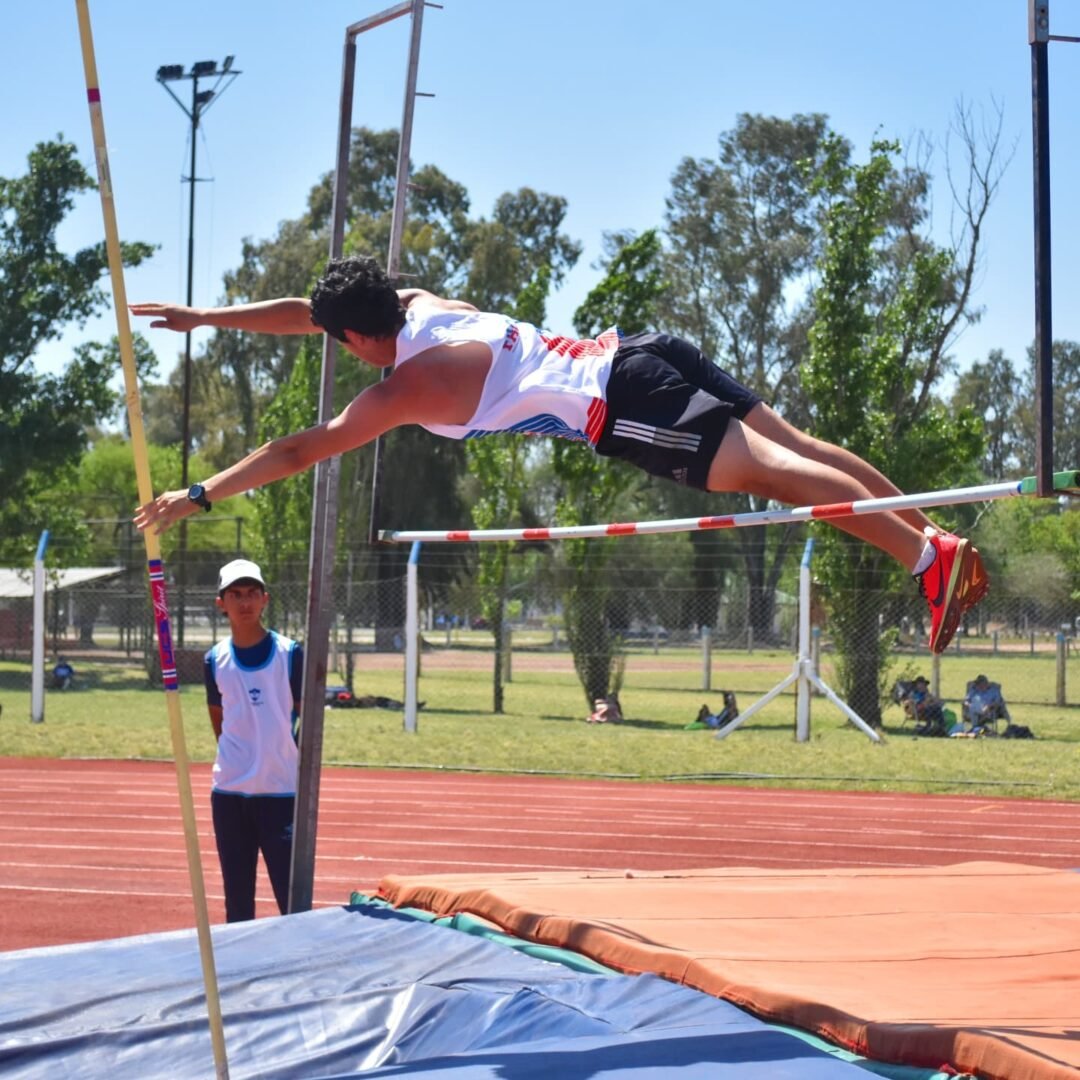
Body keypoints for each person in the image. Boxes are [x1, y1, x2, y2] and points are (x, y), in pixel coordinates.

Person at [132, 255, 988, 653]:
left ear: (359, 337)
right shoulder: (419, 304)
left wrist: (199, 492)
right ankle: (931, 546)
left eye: (337, 340)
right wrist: (210, 320)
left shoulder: (403, 389)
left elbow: (299, 448)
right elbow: (308, 311)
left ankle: (927, 556)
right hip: (644, 352)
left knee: (765, 471)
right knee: (795, 443)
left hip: (622, 405)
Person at [205, 558, 303, 922]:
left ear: (265, 599)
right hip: (230, 794)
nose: (244, 602)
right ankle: (239, 975)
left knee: (292, 901)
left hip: (280, 793)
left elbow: (307, 719)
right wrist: (240, 757)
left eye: (251, 593)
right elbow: (219, 719)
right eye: (235, 594)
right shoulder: (214, 659)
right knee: (238, 901)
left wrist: (281, 754)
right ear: (221, 603)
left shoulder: (290, 655)